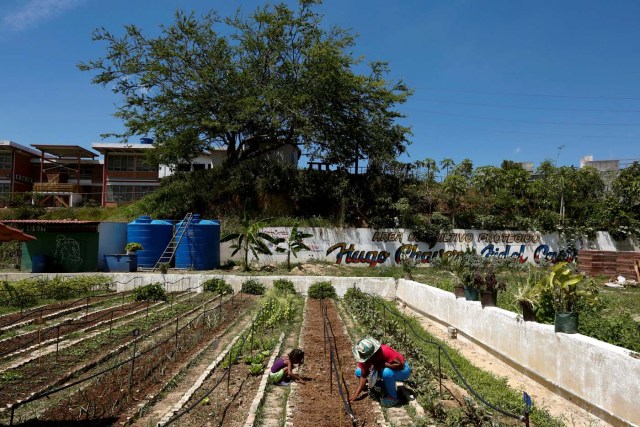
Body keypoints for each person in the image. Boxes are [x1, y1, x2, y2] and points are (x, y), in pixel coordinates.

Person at [349, 337, 410, 407]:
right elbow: (363, 376)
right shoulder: (364, 358)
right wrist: (356, 394)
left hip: (402, 370)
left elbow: (400, 365)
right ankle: (386, 386)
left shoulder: (384, 350)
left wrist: (383, 364)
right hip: (382, 369)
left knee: (386, 372)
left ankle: (393, 398)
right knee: (358, 372)